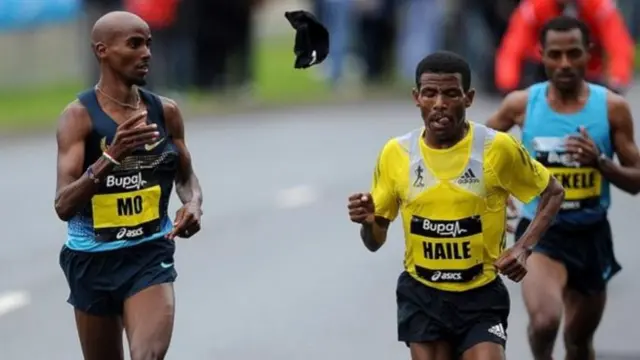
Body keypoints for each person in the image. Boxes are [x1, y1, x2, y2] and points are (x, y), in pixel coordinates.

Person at [347, 50, 565, 360]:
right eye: (430, 93)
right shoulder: (396, 153)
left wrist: (523, 248)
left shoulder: (497, 148)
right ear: (416, 98)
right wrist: (369, 222)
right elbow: (374, 242)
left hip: (481, 295)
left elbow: (553, 193)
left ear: (469, 98)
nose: (439, 103)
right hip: (422, 295)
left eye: (451, 93)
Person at [487, 15, 640, 360]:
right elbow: (477, 151)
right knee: (545, 321)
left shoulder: (612, 108)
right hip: (541, 234)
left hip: (591, 233)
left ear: (590, 53)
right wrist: (498, 190)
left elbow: (636, 181)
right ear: (541, 54)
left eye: (574, 53)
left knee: (578, 341)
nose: (565, 63)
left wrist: (600, 162)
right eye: (555, 54)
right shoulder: (522, 105)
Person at [54, 11, 203, 360]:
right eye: (134, 44)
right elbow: (63, 205)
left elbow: (186, 176)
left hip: (149, 253)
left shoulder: (166, 112)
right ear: (102, 51)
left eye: (148, 44)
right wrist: (111, 157)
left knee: (146, 356)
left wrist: (193, 204)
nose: (146, 53)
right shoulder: (78, 118)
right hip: (91, 260)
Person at [495, 0, 634, 95]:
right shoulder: (534, 6)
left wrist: (617, 80)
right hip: (544, 73)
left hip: (589, 73)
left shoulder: (599, 6)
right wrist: (508, 84)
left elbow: (618, 43)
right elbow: (513, 46)